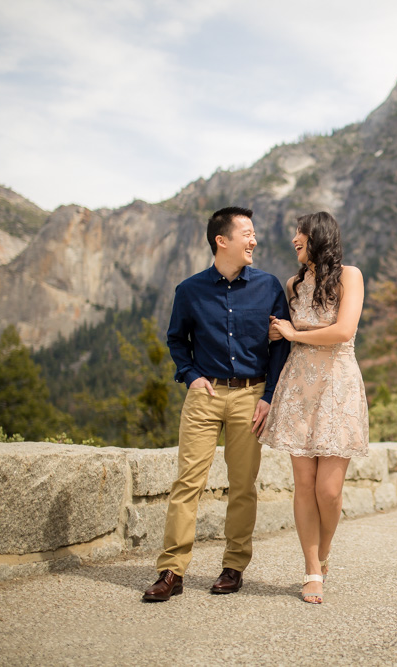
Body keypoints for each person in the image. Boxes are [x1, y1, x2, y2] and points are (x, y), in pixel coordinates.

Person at [142, 206, 290, 602]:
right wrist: (191, 376)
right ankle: (171, 571)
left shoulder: (269, 286)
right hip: (204, 397)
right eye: (247, 233)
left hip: (251, 395)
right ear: (221, 240)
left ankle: (233, 566)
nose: (254, 240)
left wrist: (269, 396)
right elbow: (176, 340)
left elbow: (282, 345)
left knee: (242, 486)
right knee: (187, 482)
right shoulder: (189, 291)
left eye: (254, 233)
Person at [259, 211, 369, 604]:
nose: (294, 239)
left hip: (338, 385)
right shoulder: (293, 284)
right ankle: (311, 570)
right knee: (304, 485)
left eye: (300, 232)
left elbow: (344, 330)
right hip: (299, 385)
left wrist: (294, 331)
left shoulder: (349, 276)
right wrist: (280, 332)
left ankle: (324, 555)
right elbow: (282, 334)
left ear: (318, 236)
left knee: (329, 490)